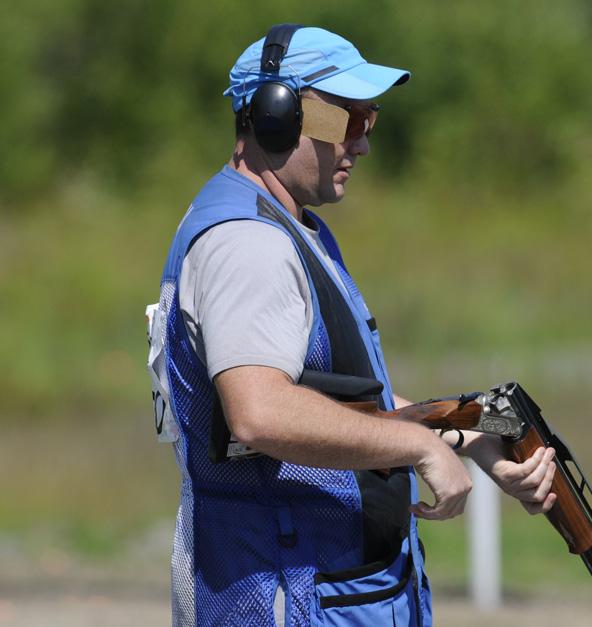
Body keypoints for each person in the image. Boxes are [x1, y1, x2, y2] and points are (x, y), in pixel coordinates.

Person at [146, 24, 557, 626]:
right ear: (277, 115)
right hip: (288, 597)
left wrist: (472, 436)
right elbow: (260, 411)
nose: (361, 144)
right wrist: (418, 445)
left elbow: (337, 403)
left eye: (371, 120)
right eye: (348, 120)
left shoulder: (285, 226)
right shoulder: (248, 243)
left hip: (323, 590)